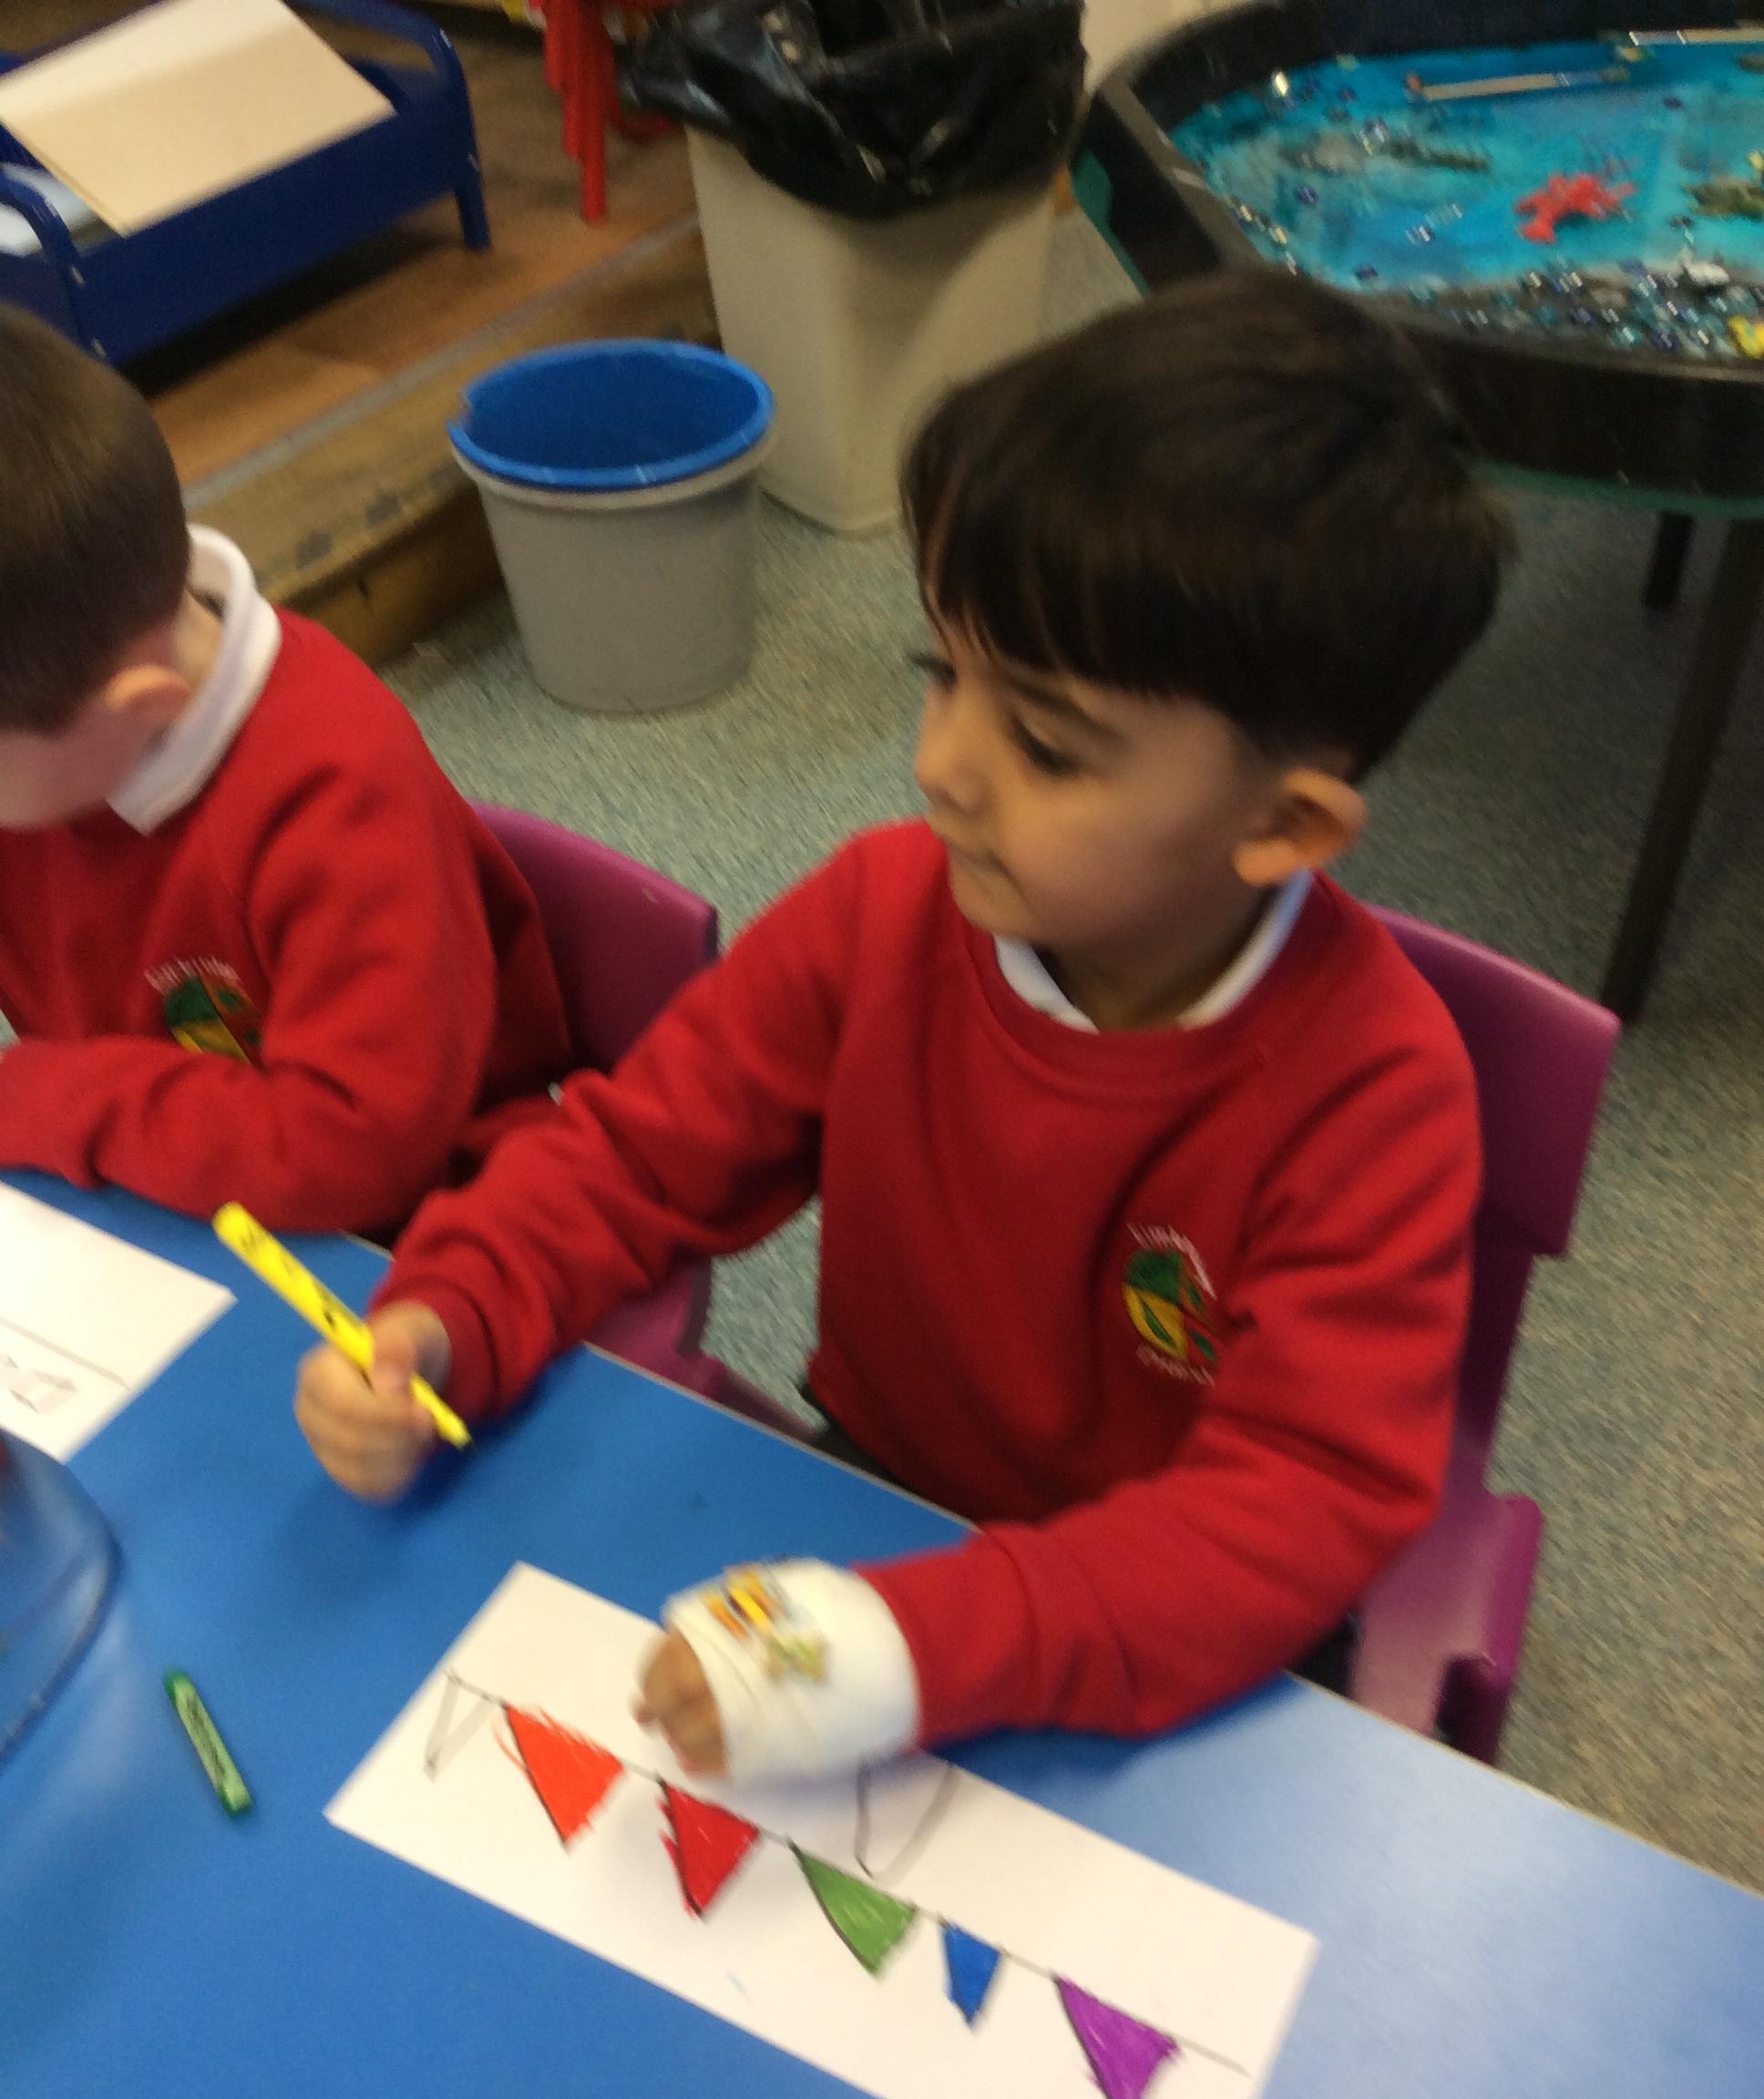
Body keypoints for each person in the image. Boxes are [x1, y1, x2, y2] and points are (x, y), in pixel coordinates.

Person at [296, 272, 1512, 1782]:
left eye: (1044, 741)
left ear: (1284, 826)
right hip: (885, 1505)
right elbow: (632, 1160)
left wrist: (907, 1647)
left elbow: (1290, 1511)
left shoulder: (1375, 1094)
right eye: (945, 670)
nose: (941, 765)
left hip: (1181, 1627)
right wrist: (451, 1305)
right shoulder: (885, 911)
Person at [0, 302, 571, 1237]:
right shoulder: (55, 723)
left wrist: (52, 1095)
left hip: (419, 1228)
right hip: (168, 1188)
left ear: (140, 706)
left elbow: (354, 1156)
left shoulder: (336, 793)